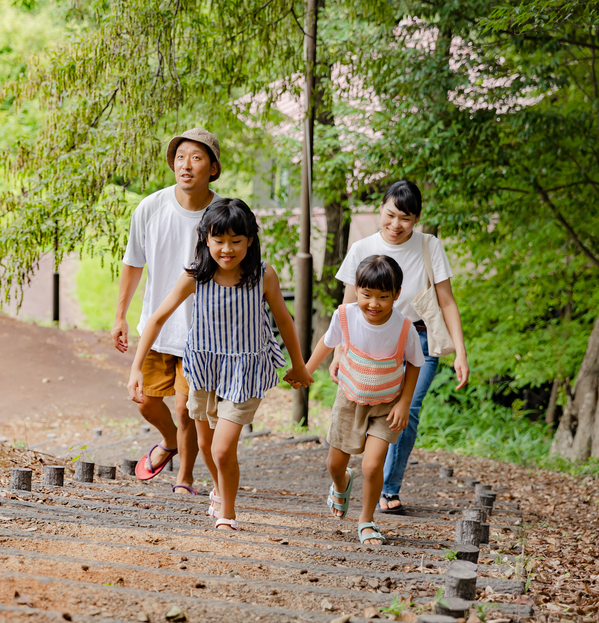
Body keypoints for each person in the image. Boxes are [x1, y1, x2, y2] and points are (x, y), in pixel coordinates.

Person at [127, 198, 313, 530]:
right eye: (219, 240)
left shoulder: (262, 276)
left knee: (222, 448)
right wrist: (136, 367)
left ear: (250, 241)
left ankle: (227, 514)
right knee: (205, 445)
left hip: (244, 372)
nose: (227, 249)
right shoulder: (196, 276)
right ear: (206, 240)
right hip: (204, 370)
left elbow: (285, 323)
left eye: (236, 241)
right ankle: (218, 490)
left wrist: (299, 366)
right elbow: (157, 319)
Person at [331, 180, 470, 514]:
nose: (396, 225)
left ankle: (388, 488)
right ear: (380, 209)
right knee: (359, 406)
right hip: (368, 343)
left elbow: (447, 301)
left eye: (405, 218)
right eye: (390, 215)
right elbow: (349, 304)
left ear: (417, 218)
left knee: (407, 411)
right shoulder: (362, 248)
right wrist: (338, 351)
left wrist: (461, 352)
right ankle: (351, 475)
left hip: (417, 339)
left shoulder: (429, 246)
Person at [112, 128, 222, 494]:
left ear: (213, 167)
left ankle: (184, 478)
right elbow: (133, 263)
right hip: (157, 327)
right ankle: (171, 441)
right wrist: (120, 315)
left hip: (202, 333)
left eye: (195, 157)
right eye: (180, 157)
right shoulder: (150, 207)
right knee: (145, 401)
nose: (185, 165)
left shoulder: (223, 215)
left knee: (186, 408)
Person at [305, 255, 424, 545]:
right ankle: (341, 483)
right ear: (356, 289)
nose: (373, 304)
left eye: (383, 296)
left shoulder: (404, 327)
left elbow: (415, 364)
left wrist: (404, 402)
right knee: (334, 464)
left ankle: (367, 521)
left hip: (387, 405)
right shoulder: (344, 315)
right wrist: (305, 371)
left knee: (372, 465)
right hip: (350, 399)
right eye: (366, 294)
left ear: (396, 295)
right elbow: (327, 343)